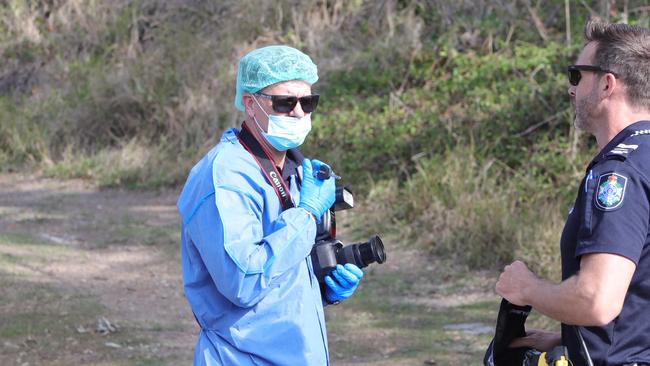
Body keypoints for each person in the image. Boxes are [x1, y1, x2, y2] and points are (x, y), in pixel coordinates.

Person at [177, 45, 365, 366]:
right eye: (284, 102)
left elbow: (278, 275)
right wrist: (305, 215)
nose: (298, 113)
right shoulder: (224, 175)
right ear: (250, 104)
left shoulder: (293, 171)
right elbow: (244, 281)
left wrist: (322, 288)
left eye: (307, 102)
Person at [495, 19, 650, 365]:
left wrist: (527, 287)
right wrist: (566, 339)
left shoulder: (619, 173)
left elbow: (597, 300)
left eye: (577, 76)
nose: (571, 89)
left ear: (607, 84)